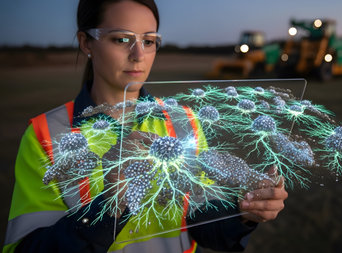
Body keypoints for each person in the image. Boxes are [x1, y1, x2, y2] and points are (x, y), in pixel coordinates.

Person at [3, 0, 288, 252]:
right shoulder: (47, 134)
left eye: (149, 41)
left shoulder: (184, 120)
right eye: (121, 39)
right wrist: (109, 206)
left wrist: (243, 212)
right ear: (86, 42)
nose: (139, 54)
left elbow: (201, 221)